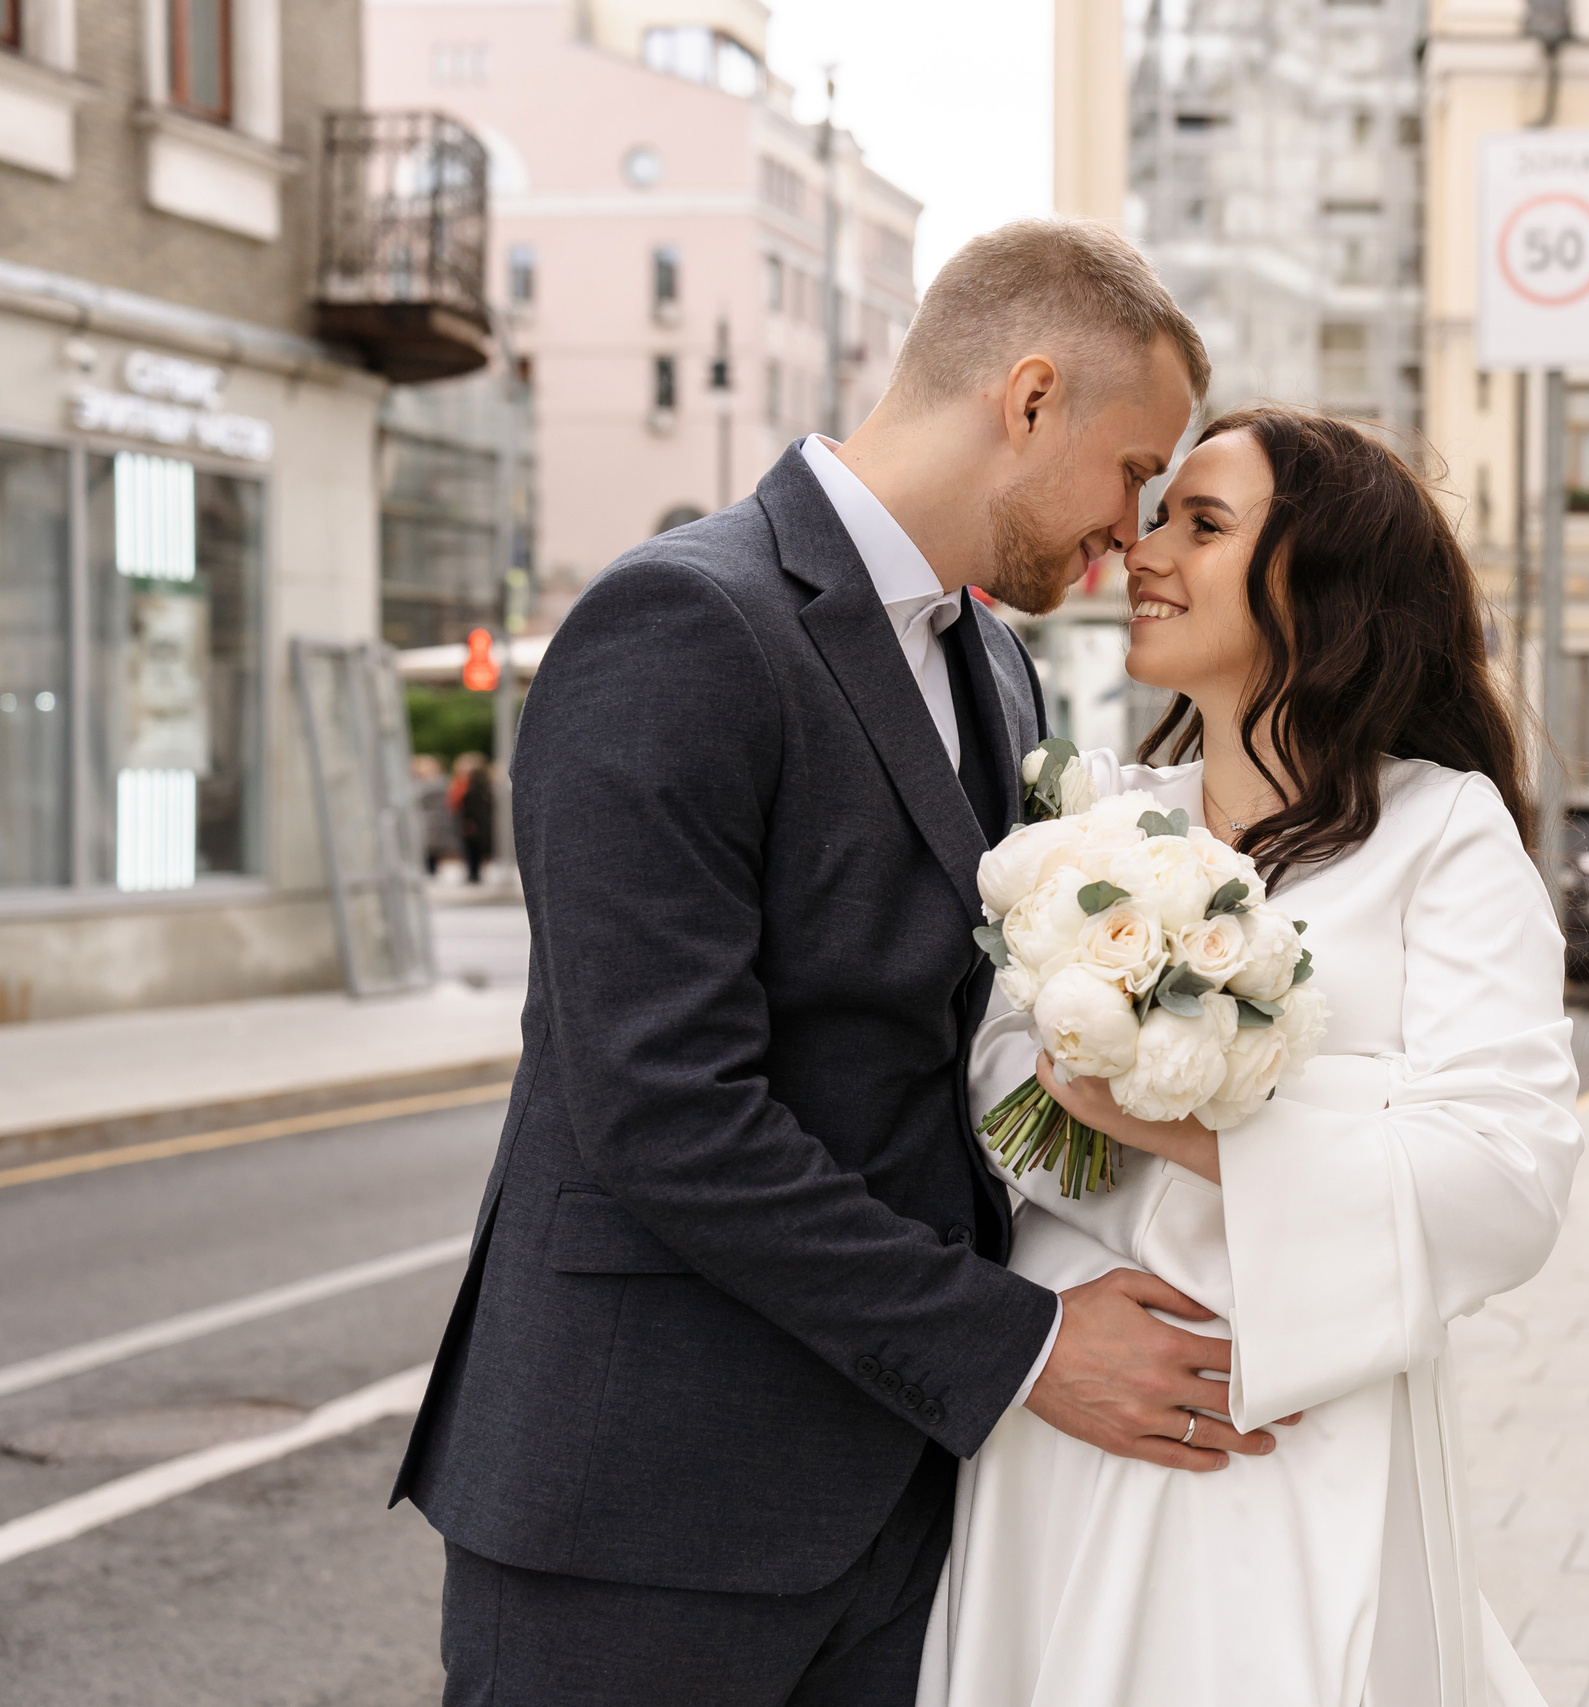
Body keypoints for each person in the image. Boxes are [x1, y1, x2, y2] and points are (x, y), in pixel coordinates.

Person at [392, 219, 1225, 1707]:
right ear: (1028, 397)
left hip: (894, 1508)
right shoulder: (683, 622)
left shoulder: (996, 660)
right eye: (1132, 470)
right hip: (644, 1512)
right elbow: (666, 1108)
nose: (1131, 530)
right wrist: (1021, 1347)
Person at [921, 408, 1581, 1707]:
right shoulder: (1091, 821)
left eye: (1202, 523)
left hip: (1292, 1431)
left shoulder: (1442, 832)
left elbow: (1507, 1176)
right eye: (1155, 510)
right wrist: (1356, 1116)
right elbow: (1002, 1102)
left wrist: (1172, 1114)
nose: (1145, 549)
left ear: (1317, 585)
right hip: (1071, 1411)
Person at [447, 752, 494, 884]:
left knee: (472, 848)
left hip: (470, 820)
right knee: (470, 847)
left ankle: (473, 872)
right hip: (468, 819)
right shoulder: (464, 784)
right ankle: (473, 872)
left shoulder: (473, 786)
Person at [412, 752, 459, 879]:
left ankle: (430, 869)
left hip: (432, 819)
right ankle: (429, 869)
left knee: (430, 846)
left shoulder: (435, 783)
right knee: (428, 846)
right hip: (432, 819)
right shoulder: (442, 781)